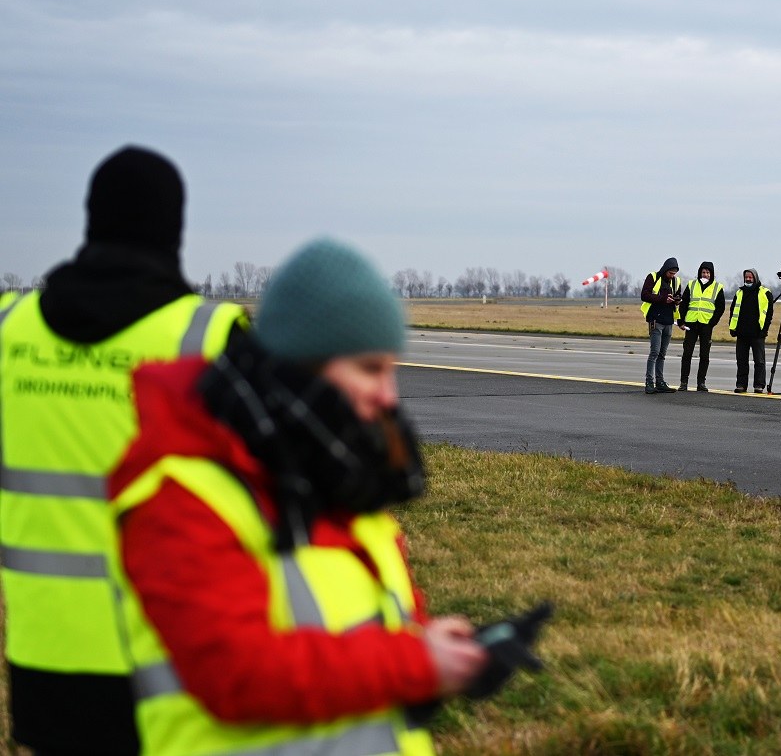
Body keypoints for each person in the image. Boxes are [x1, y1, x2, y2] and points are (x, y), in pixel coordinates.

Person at [108, 238, 543, 756]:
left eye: (392, 369)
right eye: (369, 369)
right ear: (300, 365)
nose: (389, 396)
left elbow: (364, 628)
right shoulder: (184, 499)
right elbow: (235, 675)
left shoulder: (333, 480)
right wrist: (417, 663)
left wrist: (438, 647)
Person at [0, 146, 246, 756]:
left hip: (44, 654)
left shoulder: (10, 330)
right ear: (174, 228)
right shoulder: (207, 337)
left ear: (91, 219)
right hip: (171, 652)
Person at [676, 261, 725, 392]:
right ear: (699, 273)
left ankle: (701, 382)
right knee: (687, 353)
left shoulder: (718, 287)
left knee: (704, 355)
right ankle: (684, 382)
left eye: (708, 272)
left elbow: (720, 308)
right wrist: (681, 320)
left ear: (712, 274)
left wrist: (712, 322)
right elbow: (684, 303)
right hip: (691, 323)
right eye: (703, 272)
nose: (705, 274)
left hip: (706, 325)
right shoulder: (691, 285)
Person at [727, 268, 772, 394]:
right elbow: (733, 311)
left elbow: (769, 314)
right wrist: (732, 327)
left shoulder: (765, 293)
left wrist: (764, 330)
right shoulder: (739, 293)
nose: (748, 279)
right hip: (742, 333)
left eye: (750, 277)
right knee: (741, 361)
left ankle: (759, 385)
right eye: (746, 277)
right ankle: (741, 384)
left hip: (757, 333)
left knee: (759, 361)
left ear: (755, 278)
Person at [640, 257, 682, 393]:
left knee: (662, 354)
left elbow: (678, 295)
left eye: (674, 273)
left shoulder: (676, 281)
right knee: (655, 352)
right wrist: (663, 299)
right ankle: (649, 382)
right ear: (665, 270)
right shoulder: (653, 277)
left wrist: (676, 300)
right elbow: (644, 295)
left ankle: (660, 381)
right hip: (655, 319)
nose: (672, 276)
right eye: (670, 273)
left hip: (669, 320)